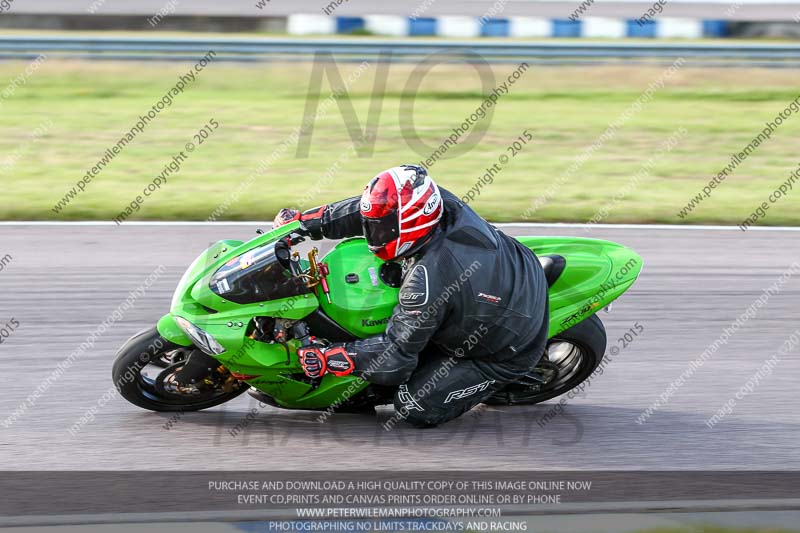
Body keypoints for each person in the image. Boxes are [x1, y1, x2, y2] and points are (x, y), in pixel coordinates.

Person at [273, 165, 548, 427]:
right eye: (373, 225)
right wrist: (303, 223)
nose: (372, 233)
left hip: (508, 344)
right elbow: (369, 209)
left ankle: (487, 379)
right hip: (517, 265)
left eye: (380, 228)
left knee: (413, 406)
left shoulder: (427, 282)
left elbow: (395, 359)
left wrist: (330, 356)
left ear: (410, 225)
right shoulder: (434, 201)